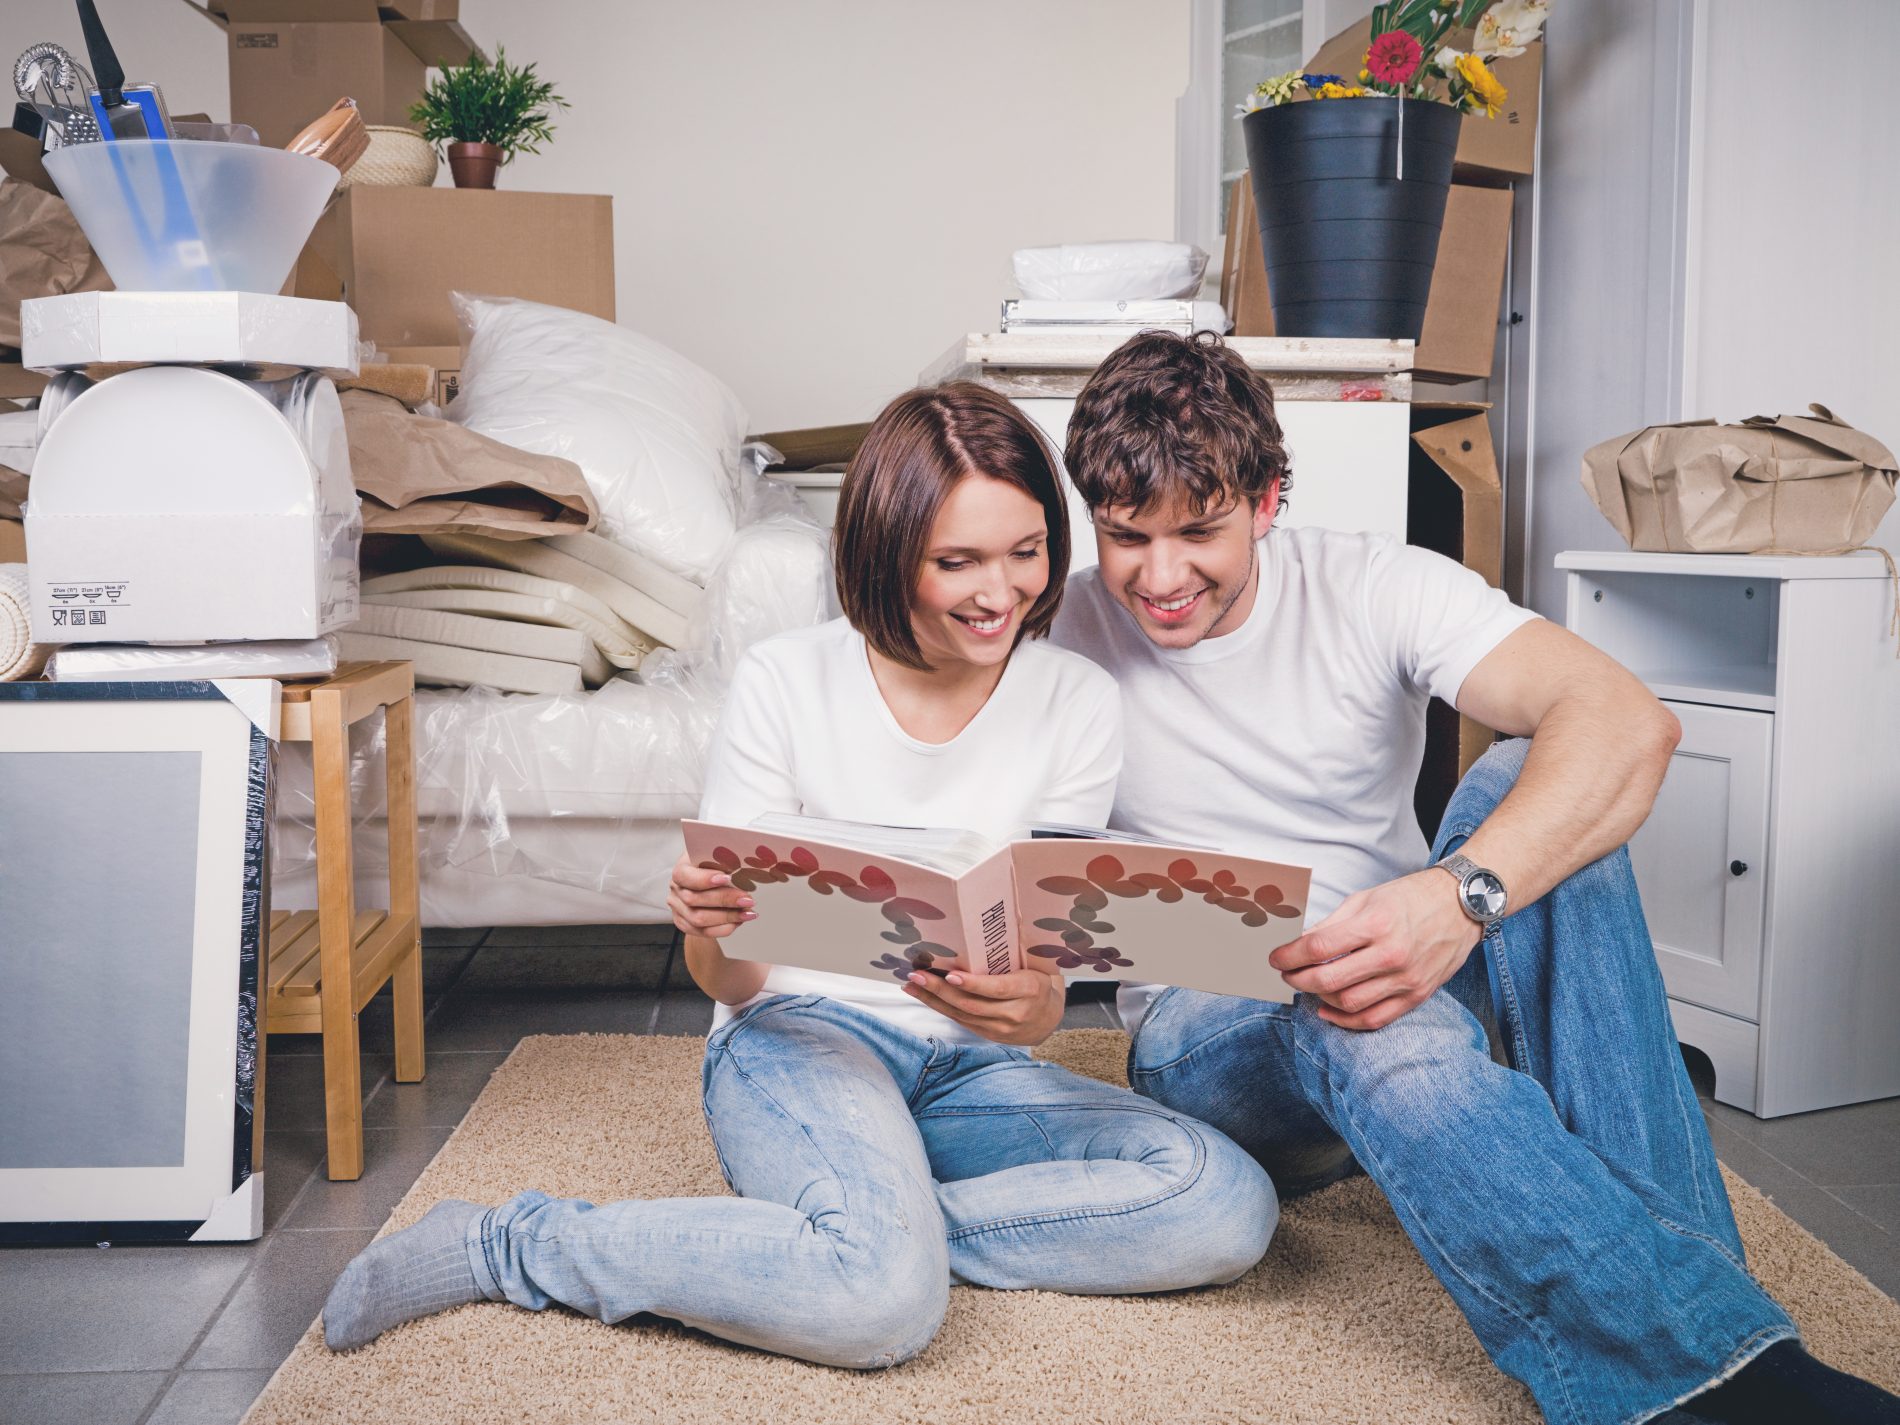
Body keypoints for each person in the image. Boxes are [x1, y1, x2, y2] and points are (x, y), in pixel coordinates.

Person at [1024, 331, 1894, 1425]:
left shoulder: (1370, 583)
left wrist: (1455, 899)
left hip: (1409, 961)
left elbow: (1629, 722)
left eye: (1197, 532)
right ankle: (1721, 1367)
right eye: (1123, 537)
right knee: (1357, 1005)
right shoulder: (1050, 627)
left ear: (1266, 498)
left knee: (1534, 777)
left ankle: (1703, 1325)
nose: (1158, 578)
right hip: (1211, 1038)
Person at [321, 381, 1275, 1367]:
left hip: (973, 1066)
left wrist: (1023, 1005)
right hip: (801, 1038)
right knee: (881, 1314)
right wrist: (711, 923)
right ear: (889, 551)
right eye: (958, 562)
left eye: (1025, 553)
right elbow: (728, 983)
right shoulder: (788, 679)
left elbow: (1040, 1011)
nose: (1001, 594)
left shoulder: (1076, 698)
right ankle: (513, 1244)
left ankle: (869, 1233)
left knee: (1222, 1202)